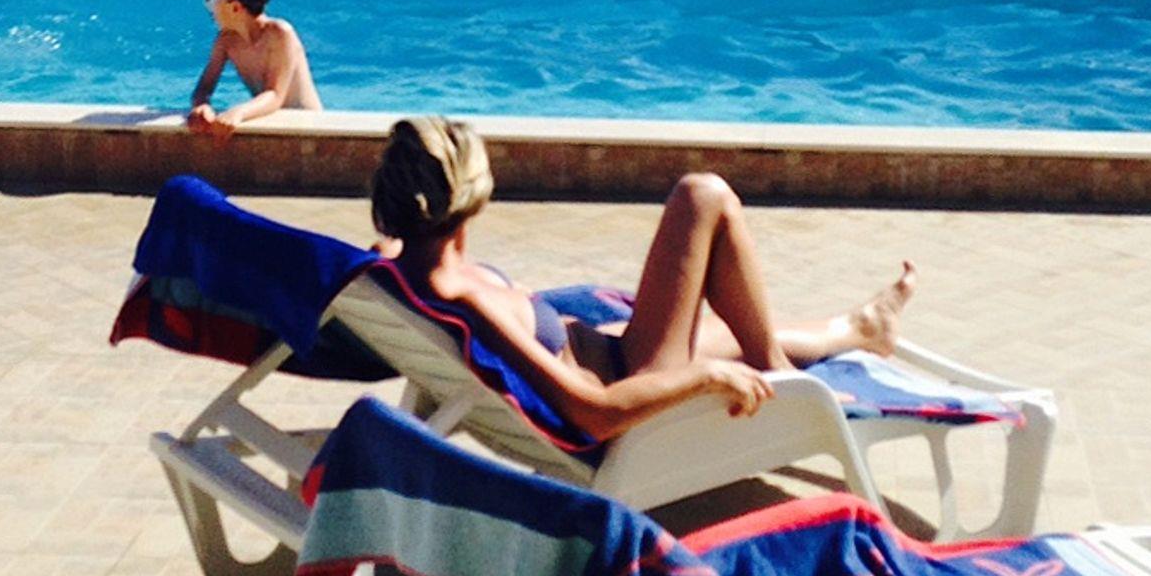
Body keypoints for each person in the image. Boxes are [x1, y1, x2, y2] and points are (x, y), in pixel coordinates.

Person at [368, 117, 917, 441]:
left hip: (613, 352)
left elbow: (390, 245)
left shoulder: (398, 267)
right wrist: (702, 378)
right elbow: (596, 414)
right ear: (470, 196)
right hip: (634, 379)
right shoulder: (468, 300)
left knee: (730, 332)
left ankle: (861, 328)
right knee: (702, 197)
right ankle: (785, 376)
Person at [187, 0, 322, 137]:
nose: (211, 9)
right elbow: (204, 87)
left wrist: (238, 112)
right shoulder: (226, 40)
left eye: (213, 0)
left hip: (309, 129)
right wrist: (201, 106)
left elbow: (275, 95)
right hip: (273, 124)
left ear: (235, 7)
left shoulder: (280, 34)